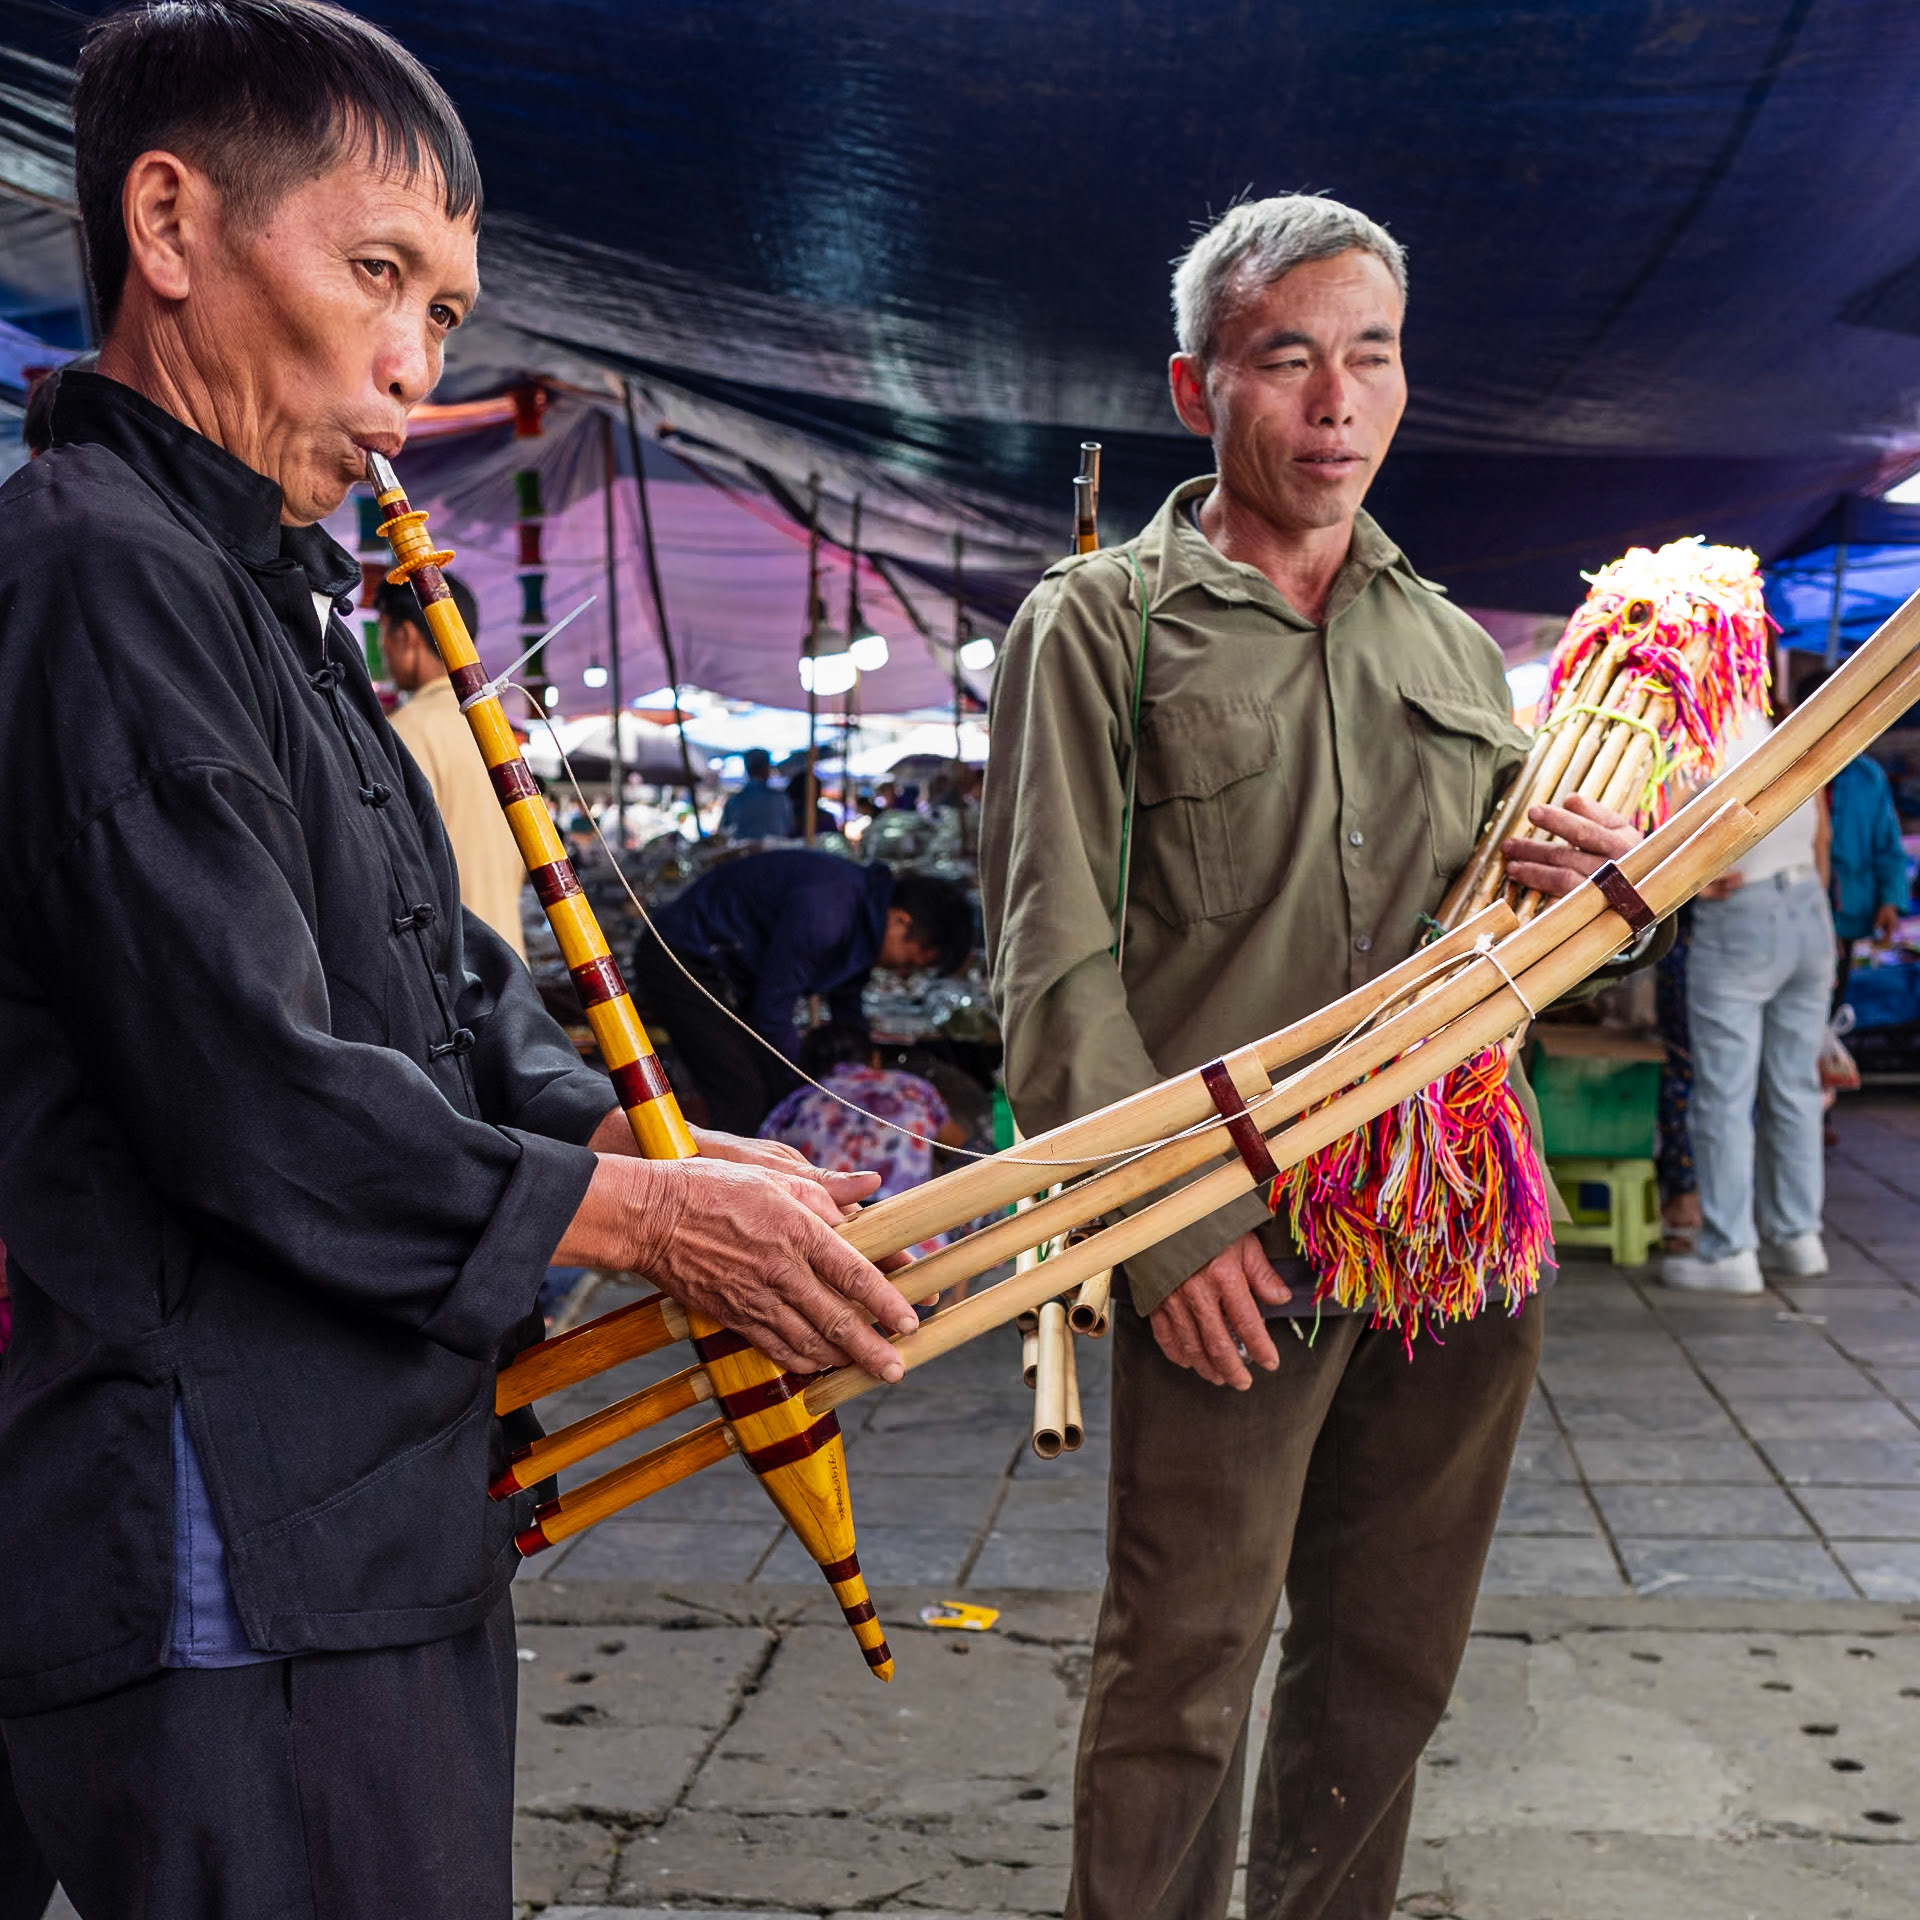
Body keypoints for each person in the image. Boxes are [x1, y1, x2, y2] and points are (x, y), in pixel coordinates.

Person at [0, 8, 916, 1916]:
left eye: (446, 308)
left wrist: (656, 1150)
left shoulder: (262, 588)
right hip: (228, 1525)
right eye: (376, 276)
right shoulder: (100, 577)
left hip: (361, 1491)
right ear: (167, 227)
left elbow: (449, 990)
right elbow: (251, 1092)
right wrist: (644, 1230)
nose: (416, 368)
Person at [982, 194, 1645, 1920]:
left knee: (1390, 1665)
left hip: (1453, 1232)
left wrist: (1607, 906)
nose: (1339, 400)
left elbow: (1501, 937)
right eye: (1290, 359)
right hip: (1237, 1246)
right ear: (1199, 386)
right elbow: (1054, 963)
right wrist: (1166, 1224)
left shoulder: (1450, 651)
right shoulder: (1101, 625)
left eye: (1374, 356)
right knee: (1185, 1666)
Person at [1662, 702, 1835, 1291]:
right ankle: (1798, 1238)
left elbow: (1664, 830)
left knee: (1725, 1094)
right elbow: (1822, 830)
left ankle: (1729, 1251)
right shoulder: (1783, 727)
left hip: (1744, 914)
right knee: (1795, 1085)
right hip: (1810, 909)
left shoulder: (1697, 732)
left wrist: (1688, 878)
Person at [631, 849, 972, 1133]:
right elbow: (771, 1012)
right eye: (908, 963)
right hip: (679, 956)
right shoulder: (827, 911)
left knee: (773, 1081)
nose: (901, 973)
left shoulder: (864, 922)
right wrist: (812, 1089)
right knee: (742, 1090)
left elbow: (848, 1012)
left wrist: (867, 1077)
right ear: (901, 922)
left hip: (728, 974)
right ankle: (713, 1190)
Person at [377, 569, 531, 957]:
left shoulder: (405, 732)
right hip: (511, 974)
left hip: (451, 980)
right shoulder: (498, 733)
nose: (383, 653)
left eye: (383, 636)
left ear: (407, 637)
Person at [760, 1026, 968, 1261]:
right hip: (916, 1243)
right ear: (875, 1058)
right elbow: (960, 1148)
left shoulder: (790, 1109)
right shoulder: (913, 1089)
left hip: (832, 1252)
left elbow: (764, 1177)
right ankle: (958, 1289)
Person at [718, 746, 796, 840]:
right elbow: (789, 826)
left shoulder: (734, 801)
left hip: (746, 853)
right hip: (777, 852)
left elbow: (724, 831)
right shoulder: (780, 799)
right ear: (767, 769)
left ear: (747, 770)